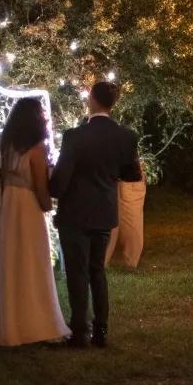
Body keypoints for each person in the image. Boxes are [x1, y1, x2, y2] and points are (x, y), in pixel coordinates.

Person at [0, 96, 69, 347]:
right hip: (25, 208)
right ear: (35, 119)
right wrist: (49, 207)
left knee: (0, 259)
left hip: (1, 206)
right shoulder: (35, 147)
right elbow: (40, 186)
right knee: (27, 262)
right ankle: (29, 324)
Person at [50, 81, 142, 348]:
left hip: (75, 213)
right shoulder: (126, 136)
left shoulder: (75, 136)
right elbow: (132, 174)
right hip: (104, 211)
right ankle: (101, 330)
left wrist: (49, 185)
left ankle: (80, 331)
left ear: (92, 99)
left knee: (77, 272)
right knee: (97, 270)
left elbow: (60, 181)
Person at [106, 155, 147, 269]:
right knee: (129, 222)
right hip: (128, 178)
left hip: (123, 178)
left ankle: (104, 260)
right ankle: (129, 261)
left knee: (109, 221)